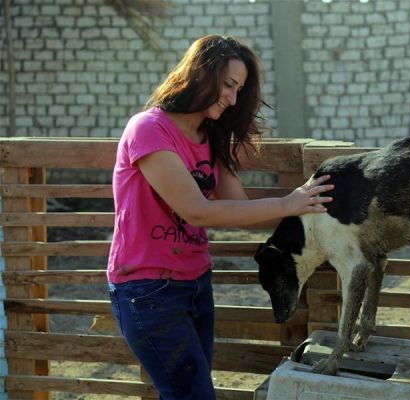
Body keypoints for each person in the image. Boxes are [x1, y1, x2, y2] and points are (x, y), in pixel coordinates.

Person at [106, 35, 333, 400]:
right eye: (228, 85)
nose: (232, 98)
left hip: (196, 283)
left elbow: (240, 209)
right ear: (200, 74)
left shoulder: (210, 138)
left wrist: (313, 207)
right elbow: (198, 210)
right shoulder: (148, 129)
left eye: (238, 90)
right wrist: (288, 203)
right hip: (147, 289)